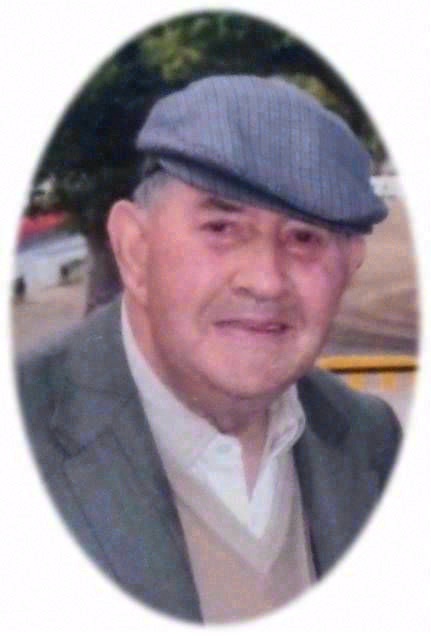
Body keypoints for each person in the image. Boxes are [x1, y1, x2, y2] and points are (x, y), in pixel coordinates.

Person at [17, 75, 401, 624]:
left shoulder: (370, 440)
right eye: (222, 227)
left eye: (304, 238)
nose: (266, 280)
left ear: (349, 268)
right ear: (135, 249)